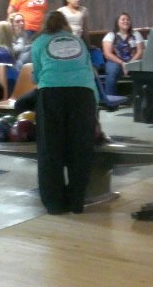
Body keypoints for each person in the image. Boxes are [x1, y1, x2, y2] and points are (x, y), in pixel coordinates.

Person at [30, 11, 98, 215]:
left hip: (51, 93)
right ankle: (77, 201)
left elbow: (37, 73)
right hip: (83, 94)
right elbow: (88, 70)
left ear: (45, 24)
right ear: (65, 24)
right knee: (80, 148)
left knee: (50, 148)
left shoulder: (40, 42)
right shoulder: (77, 41)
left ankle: (54, 204)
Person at [101, 12, 142, 106]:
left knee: (143, 70)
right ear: (117, 22)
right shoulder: (111, 35)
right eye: (123, 19)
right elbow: (107, 54)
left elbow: (140, 51)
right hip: (116, 62)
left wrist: (130, 64)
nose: (126, 21)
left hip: (133, 61)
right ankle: (110, 101)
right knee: (112, 70)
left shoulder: (136, 34)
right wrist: (122, 63)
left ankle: (140, 100)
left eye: (128, 19)